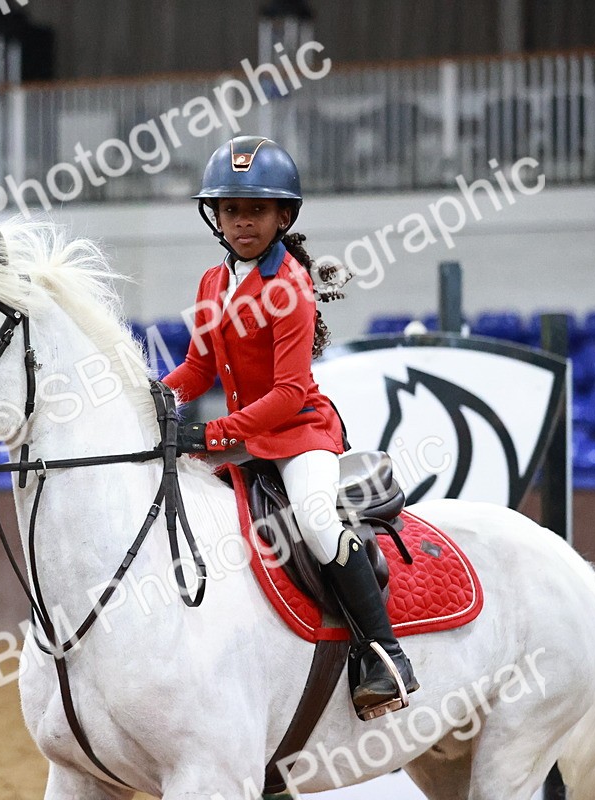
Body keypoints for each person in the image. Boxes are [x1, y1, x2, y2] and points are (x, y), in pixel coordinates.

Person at [162, 135, 419, 713]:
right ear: (216, 217)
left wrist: (213, 434)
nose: (243, 222)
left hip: (300, 434)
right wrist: (154, 397)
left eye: (256, 210)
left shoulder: (290, 289)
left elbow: (290, 392)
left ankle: (383, 653)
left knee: (316, 519)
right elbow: (200, 366)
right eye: (231, 209)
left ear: (283, 215)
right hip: (248, 436)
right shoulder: (211, 282)